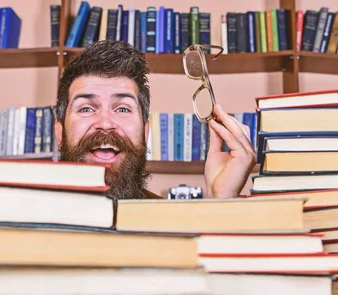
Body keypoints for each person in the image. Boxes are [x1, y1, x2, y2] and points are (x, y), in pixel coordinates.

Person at [54, 40, 256, 200]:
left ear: (146, 131)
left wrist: (222, 201)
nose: (105, 123)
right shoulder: (23, 217)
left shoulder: (169, 224)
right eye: (86, 108)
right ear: (59, 132)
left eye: (123, 108)